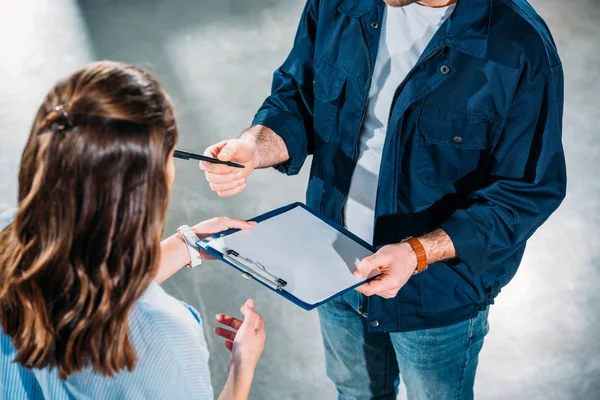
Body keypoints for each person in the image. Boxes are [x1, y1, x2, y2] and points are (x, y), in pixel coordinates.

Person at [201, 0, 566, 398]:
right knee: (355, 393)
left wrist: (417, 253)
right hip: (333, 263)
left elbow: (525, 192)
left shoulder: (518, 46)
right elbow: (297, 99)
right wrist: (254, 146)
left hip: (434, 294)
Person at [0, 61, 266, 400]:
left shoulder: (9, 233)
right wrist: (241, 370)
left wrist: (189, 244)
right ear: (147, 187)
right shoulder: (163, 338)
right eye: (171, 157)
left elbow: (84, 280)